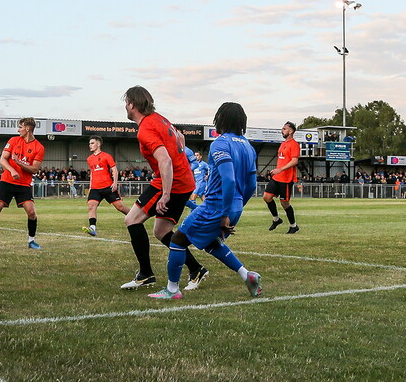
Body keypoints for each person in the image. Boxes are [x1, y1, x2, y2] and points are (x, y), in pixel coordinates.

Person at [149, 102, 262, 300]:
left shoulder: (220, 143)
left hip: (216, 207)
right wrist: (236, 208)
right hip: (234, 205)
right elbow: (252, 185)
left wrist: (225, 213)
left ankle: (172, 290)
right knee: (211, 243)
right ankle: (248, 276)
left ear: (221, 119)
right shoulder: (249, 147)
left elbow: (229, 179)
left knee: (177, 240)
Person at [120, 86, 207, 290]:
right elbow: (180, 139)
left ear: (132, 104)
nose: (125, 106)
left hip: (172, 181)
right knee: (162, 231)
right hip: (183, 180)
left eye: (126, 103)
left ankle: (146, 275)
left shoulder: (145, 128)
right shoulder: (161, 119)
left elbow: (165, 160)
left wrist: (166, 194)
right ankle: (196, 269)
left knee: (132, 219)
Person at [0, 117, 45, 251]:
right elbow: (3, 159)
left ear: (28, 128)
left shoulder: (39, 147)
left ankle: (31, 241)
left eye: (20, 127)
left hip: (24, 184)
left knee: (31, 213)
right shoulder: (13, 141)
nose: (18, 129)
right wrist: (12, 170)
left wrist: (19, 163)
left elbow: (35, 169)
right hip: (7, 181)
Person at [82, 135, 129, 236]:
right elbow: (92, 174)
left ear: (98, 144)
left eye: (92, 143)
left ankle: (135, 218)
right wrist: (90, 187)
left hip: (108, 187)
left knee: (120, 207)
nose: (90, 145)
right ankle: (92, 228)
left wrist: (115, 183)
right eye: (89, 143)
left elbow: (114, 170)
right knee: (91, 206)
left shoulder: (107, 156)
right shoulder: (89, 159)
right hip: (95, 188)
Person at [263, 121, 301, 234]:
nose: (282, 130)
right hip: (277, 177)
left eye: (284, 129)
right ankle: (276, 219)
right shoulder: (283, 143)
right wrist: (276, 171)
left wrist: (280, 169)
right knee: (266, 197)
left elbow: (294, 161)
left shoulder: (294, 144)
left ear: (291, 131)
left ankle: (293, 226)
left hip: (286, 179)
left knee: (284, 203)